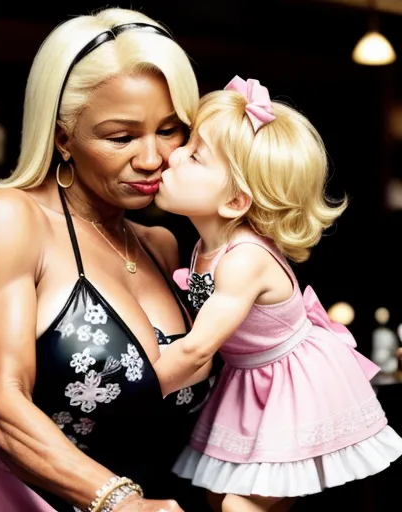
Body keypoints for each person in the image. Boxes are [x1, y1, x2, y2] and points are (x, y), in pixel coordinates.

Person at [0, 8, 219, 512]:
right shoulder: (10, 220)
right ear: (62, 137)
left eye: (170, 129)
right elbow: (0, 405)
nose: (152, 158)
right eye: (121, 137)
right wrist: (122, 502)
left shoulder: (162, 245)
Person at [152, 76, 402, 512]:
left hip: (293, 384)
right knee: (218, 496)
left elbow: (196, 351)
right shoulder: (200, 247)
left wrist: (126, 394)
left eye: (194, 156)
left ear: (234, 202)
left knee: (239, 504)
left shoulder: (243, 259)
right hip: (250, 381)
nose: (171, 154)